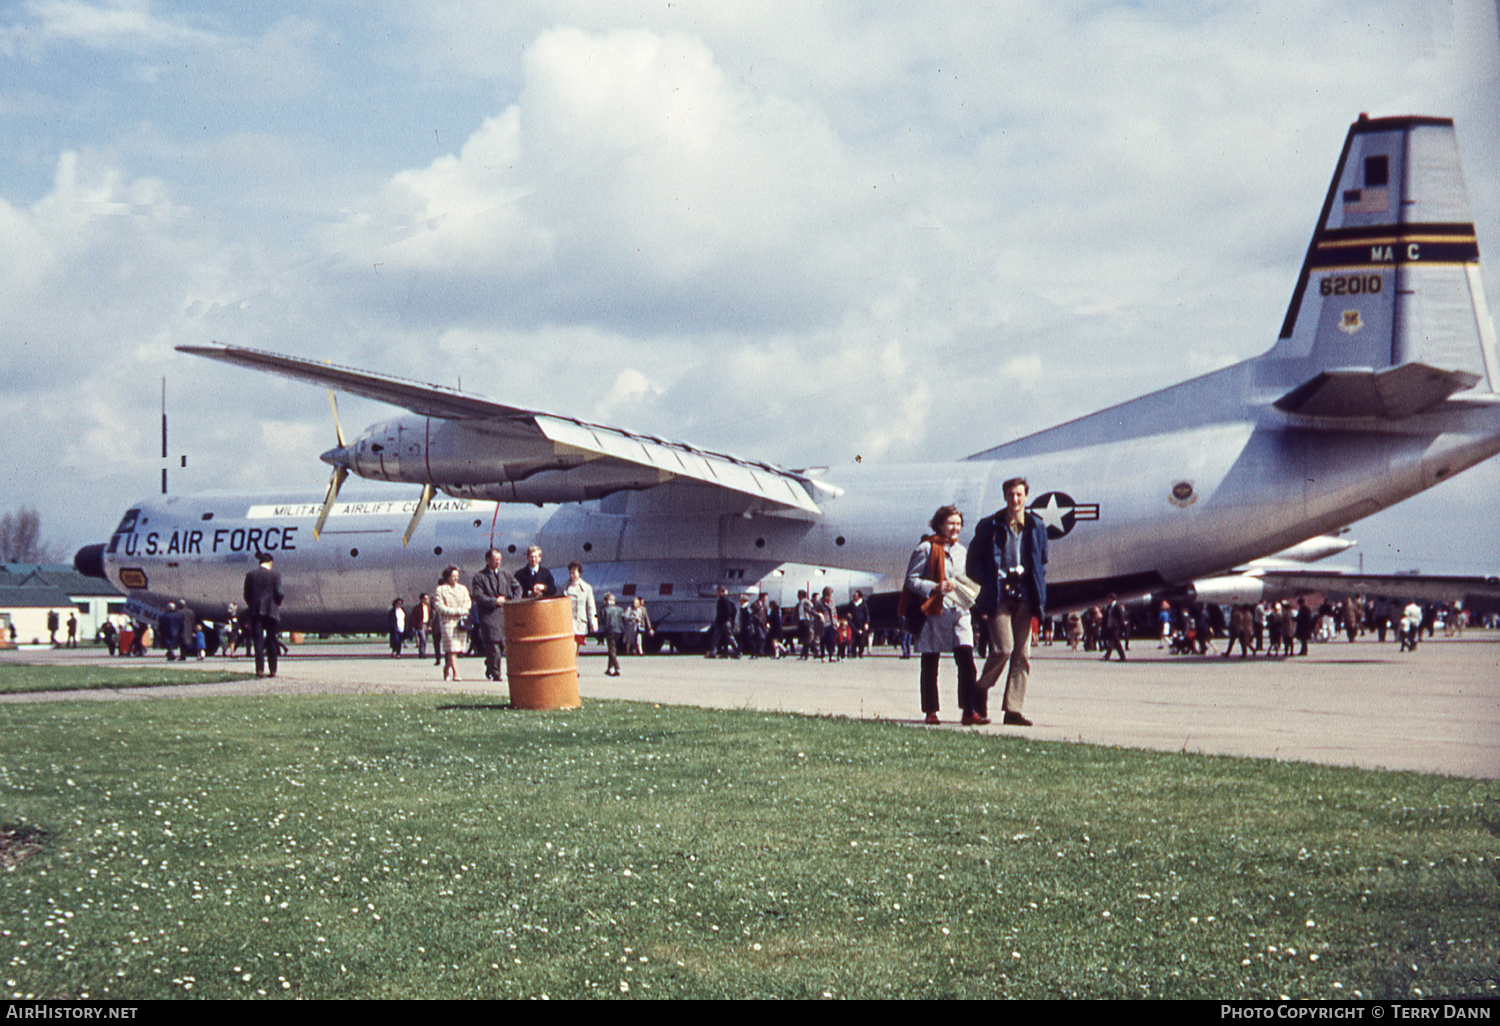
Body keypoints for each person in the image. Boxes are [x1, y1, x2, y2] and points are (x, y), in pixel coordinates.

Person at [967, 477, 1048, 727]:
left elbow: (1041, 560)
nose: (1015, 499)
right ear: (1005, 497)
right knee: (1003, 648)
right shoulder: (989, 525)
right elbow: (973, 564)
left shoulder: (1036, 525)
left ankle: (1013, 709)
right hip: (999, 594)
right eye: (1011, 495)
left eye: (1019, 495)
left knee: (1022, 654)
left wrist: (1037, 590)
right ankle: (980, 690)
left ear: (1026, 497)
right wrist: (992, 579)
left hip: (1025, 594)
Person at [905, 504, 982, 725]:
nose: (955, 527)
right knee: (930, 663)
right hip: (934, 612)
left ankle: (969, 710)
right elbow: (911, 580)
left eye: (958, 523)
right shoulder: (925, 549)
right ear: (939, 525)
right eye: (950, 523)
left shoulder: (962, 551)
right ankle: (930, 711)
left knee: (966, 660)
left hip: (959, 611)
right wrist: (935, 586)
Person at [471, 549, 518, 681]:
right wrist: (494, 601)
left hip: (504, 614)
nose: (498, 562)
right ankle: (496, 673)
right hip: (488, 615)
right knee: (493, 644)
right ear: (488, 560)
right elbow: (478, 596)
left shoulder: (505, 574)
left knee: (502, 645)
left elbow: (517, 587)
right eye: (495, 559)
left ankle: (490, 664)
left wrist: (513, 601)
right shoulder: (479, 577)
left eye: (499, 559)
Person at [243, 553, 285, 678]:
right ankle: (273, 670)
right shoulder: (275, 575)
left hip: (256, 611)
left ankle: (259, 670)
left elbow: (246, 594)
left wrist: (252, 605)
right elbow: (279, 592)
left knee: (258, 641)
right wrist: (277, 603)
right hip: (271, 611)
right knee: (272, 640)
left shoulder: (250, 575)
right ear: (270, 563)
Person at [435, 565, 473, 681]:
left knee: (456, 649)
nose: (455, 578)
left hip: (460, 622)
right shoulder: (441, 589)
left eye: (457, 576)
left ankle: (446, 668)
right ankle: (456, 673)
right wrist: (454, 611)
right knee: (452, 647)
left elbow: (468, 603)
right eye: (453, 576)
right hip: (448, 622)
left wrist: (462, 611)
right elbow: (439, 606)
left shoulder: (463, 589)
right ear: (447, 577)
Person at [565, 563, 598, 651]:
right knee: (572, 646)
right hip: (567, 622)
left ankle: (574, 663)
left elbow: (591, 607)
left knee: (576, 648)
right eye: (570, 572)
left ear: (579, 573)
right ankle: (572, 664)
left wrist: (593, 623)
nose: (572, 575)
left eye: (574, 572)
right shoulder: (563, 588)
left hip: (580, 622)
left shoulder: (586, 588)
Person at [601, 593, 625, 676]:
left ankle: (617, 668)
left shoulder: (604, 609)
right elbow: (623, 619)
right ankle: (609, 668)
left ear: (606, 600)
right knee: (613, 649)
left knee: (611, 650)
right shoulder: (620, 609)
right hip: (618, 630)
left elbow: (602, 620)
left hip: (609, 630)